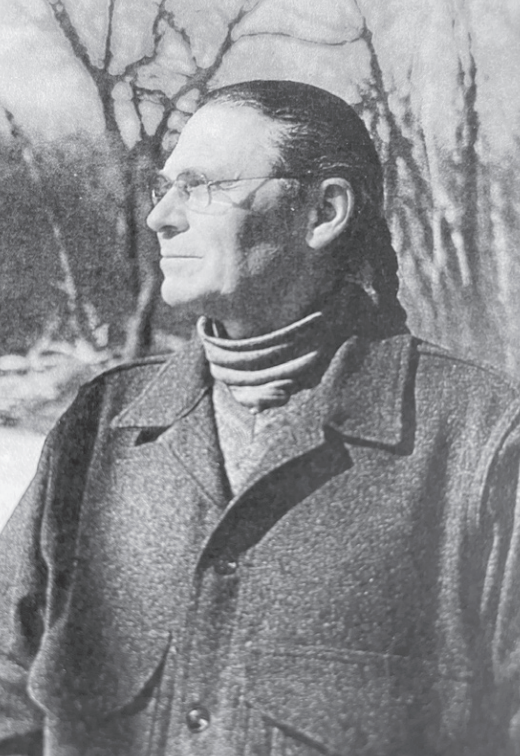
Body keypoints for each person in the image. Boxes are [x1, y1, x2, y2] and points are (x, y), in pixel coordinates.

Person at [1, 79, 520, 756]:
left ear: (323, 212)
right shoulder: (100, 431)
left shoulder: (480, 443)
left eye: (199, 187)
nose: (160, 217)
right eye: (165, 186)